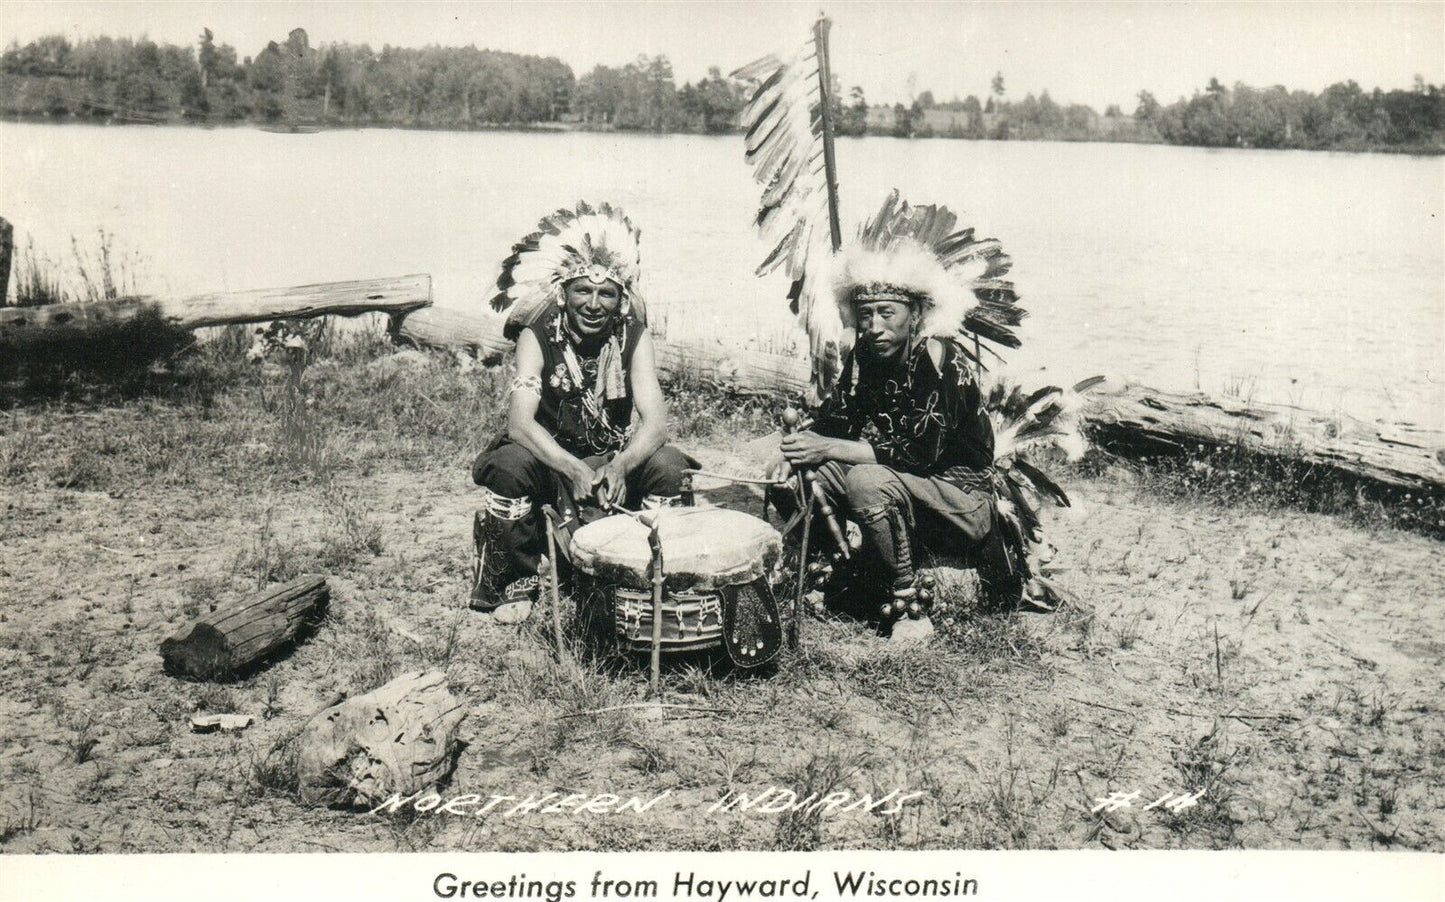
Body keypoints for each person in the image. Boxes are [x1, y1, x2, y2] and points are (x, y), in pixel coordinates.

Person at [771, 238, 1030, 630]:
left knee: (866, 482)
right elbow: (837, 421)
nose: (874, 327)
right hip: (913, 486)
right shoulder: (865, 356)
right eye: (865, 314)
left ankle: (909, 604)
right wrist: (793, 450)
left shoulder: (941, 360)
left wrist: (824, 445)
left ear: (915, 314)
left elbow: (917, 453)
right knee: (803, 476)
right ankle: (836, 568)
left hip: (961, 497)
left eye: (886, 313)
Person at [470, 202, 694, 616]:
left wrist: (622, 466)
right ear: (563, 294)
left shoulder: (634, 337)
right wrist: (573, 469)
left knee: (669, 466)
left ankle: (661, 573)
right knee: (509, 465)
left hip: (609, 458)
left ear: (621, 299)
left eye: (606, 293)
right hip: (548, 459)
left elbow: (656, 424)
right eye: (583, 291)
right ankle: (511, 582)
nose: (594, 304)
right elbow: (520, 424)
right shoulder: (537, 336)